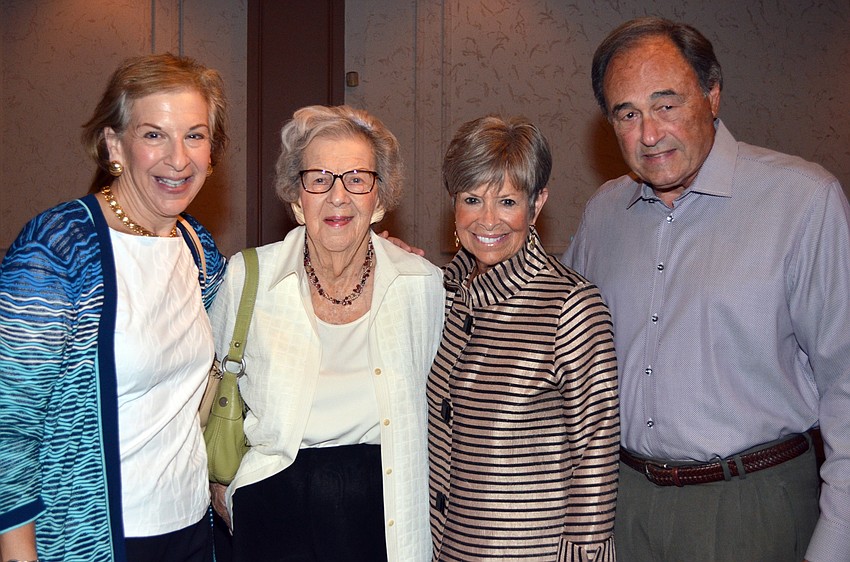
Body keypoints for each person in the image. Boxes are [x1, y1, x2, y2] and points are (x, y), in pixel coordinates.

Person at [562, 17, 850, 562]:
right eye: (628, 114)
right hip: (623, 505)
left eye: (666, 104)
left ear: (712, 96)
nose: (649, 134)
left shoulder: (803, 202)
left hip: (751, 507)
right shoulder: (603, 214)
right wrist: (412, 269)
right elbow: (541, 323)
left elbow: (846, 384)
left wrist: (836, 544)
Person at [0, 53, 229, 561]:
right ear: (114, 145)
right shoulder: (58, 247)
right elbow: (9, 423)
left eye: (194, 135)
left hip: (191, 525)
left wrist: (374, 256)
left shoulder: (198, 248)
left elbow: (266, 302)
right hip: (89, 537)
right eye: (154, 135)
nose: (178, 158)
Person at [208, 105, 444, 562]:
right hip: (271, 513)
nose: (338, 196)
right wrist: (217, 484)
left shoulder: (422, 286)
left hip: (383, 518)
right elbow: (206, 387)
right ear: (297, 200)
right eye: (319, 179)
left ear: (379, 200)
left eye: (357, 178)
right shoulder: (248, 277)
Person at [428, 115, 620, 561]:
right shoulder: (442, 294)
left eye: (507, 201)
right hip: (445, 545)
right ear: (454, 205)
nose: (488, 220)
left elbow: (596, 451)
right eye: (472, 199)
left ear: (536, 205)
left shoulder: (571, 305)